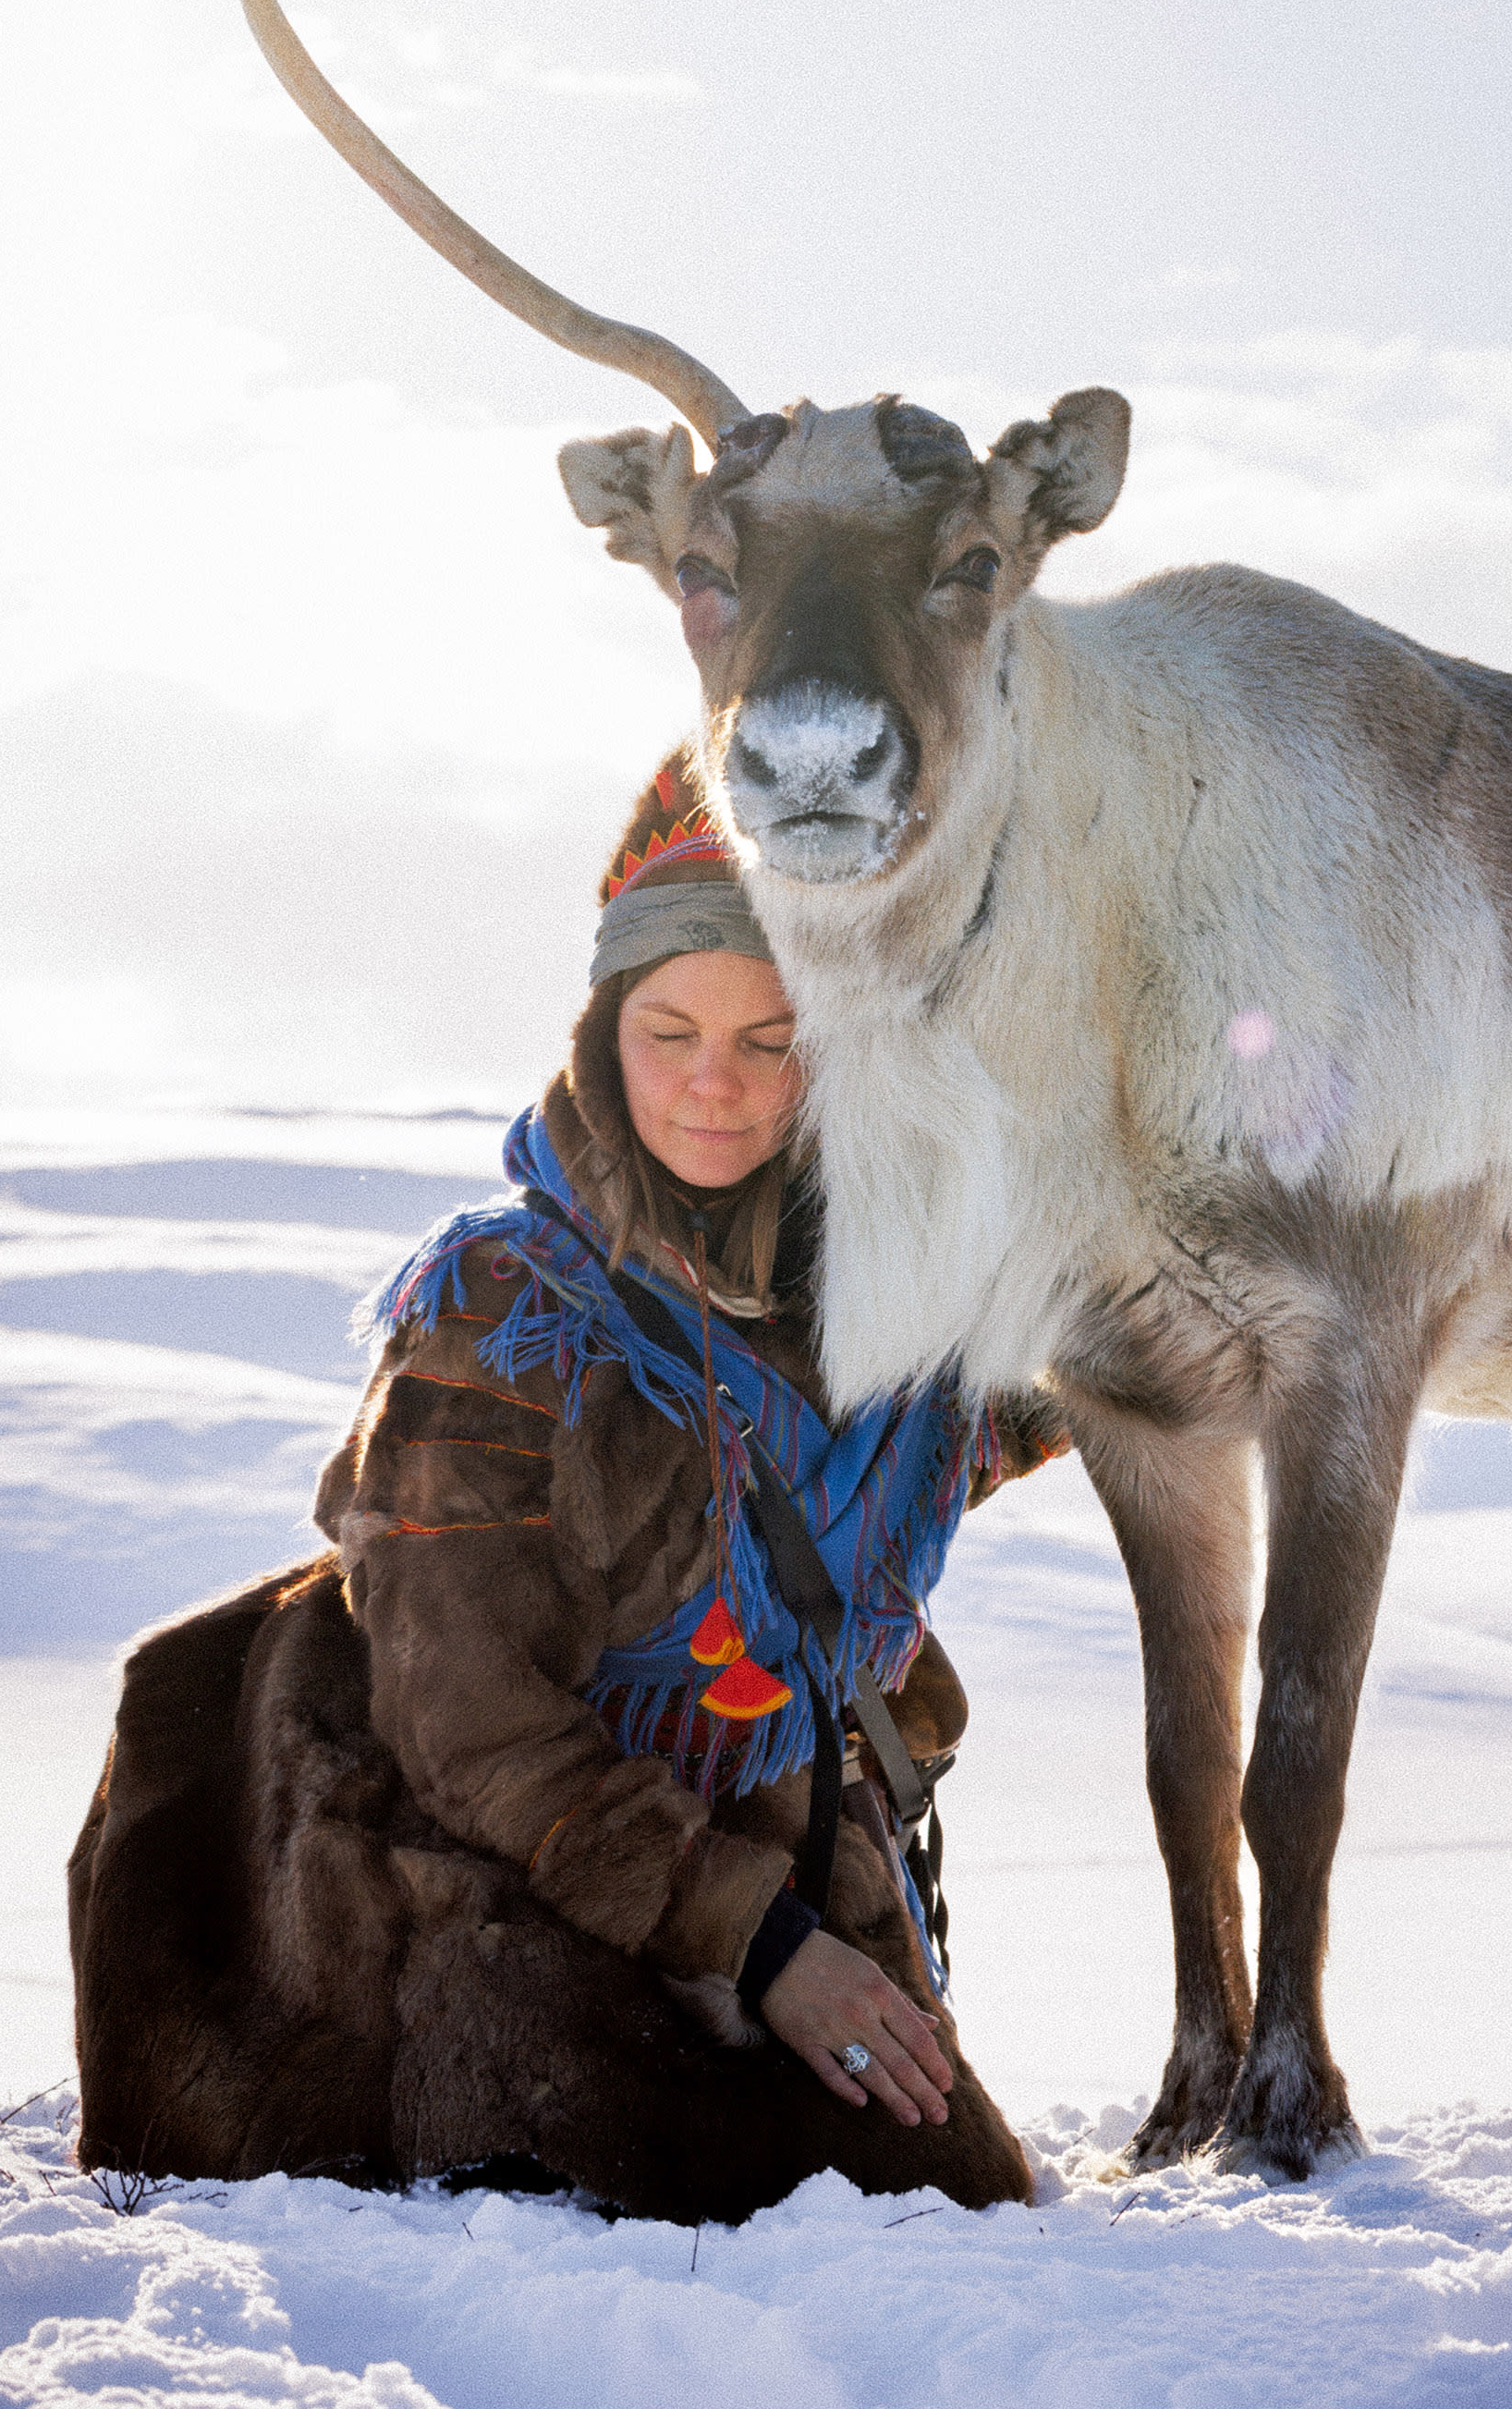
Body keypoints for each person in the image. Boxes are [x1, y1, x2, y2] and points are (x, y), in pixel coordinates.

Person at [68, 753, 1053, 2220]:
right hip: (451, 1842)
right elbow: (464, 1719)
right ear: (604, 1035)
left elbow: (1132, 1343)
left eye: (771, 1040)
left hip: (760, 1822)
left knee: (942, 2195)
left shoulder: (896, 1321)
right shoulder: (500, 1308)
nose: (712, 1082)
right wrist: (766, 1949)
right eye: (670, 1031)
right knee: (606, 2161)